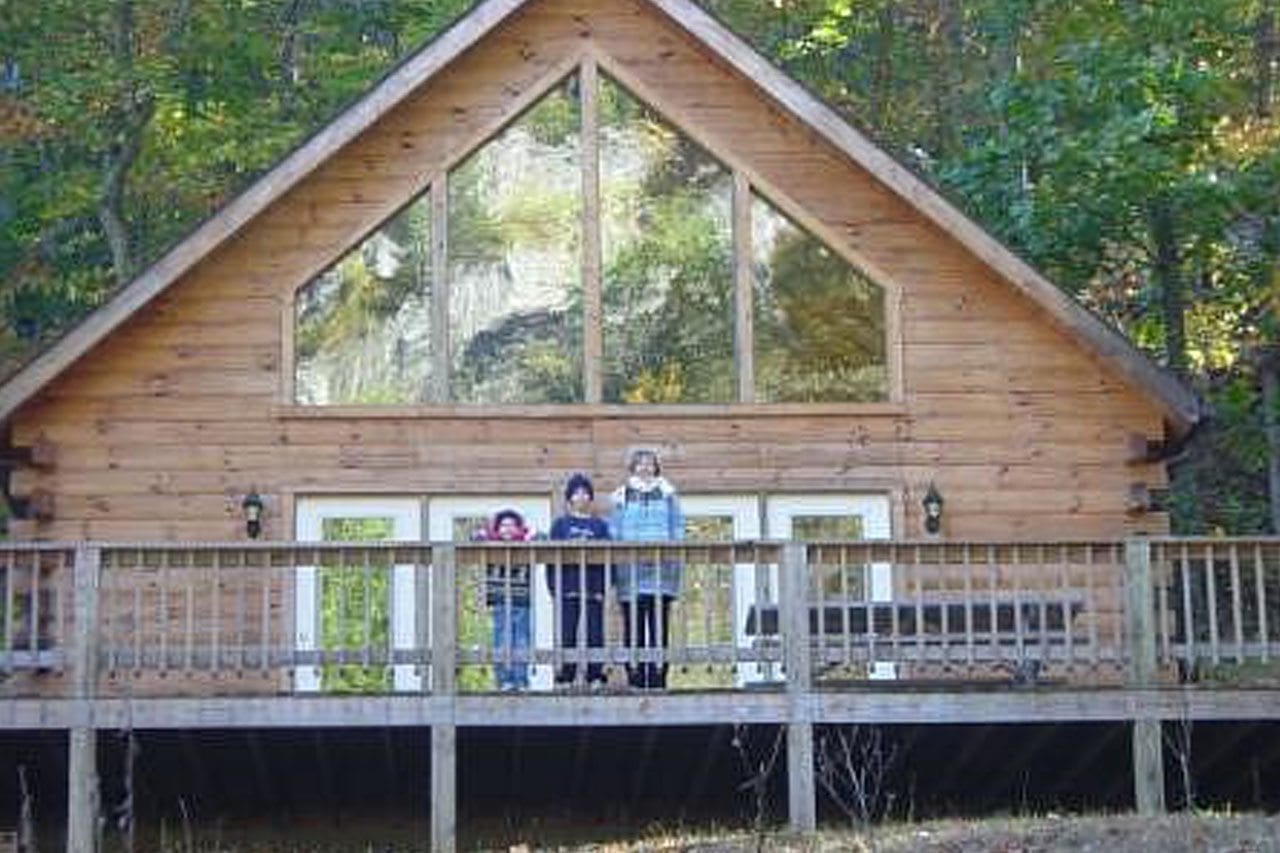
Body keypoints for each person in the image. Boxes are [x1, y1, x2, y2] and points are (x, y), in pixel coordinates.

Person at [610, 448, 684, 689]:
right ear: (633, 468)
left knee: (659, 628)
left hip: (661, 571)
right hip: (630, 571)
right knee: (634, 628)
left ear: (656, 468)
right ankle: (636, 678)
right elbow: (615, 531)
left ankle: (658, 678)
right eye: (640, 464)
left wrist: (672, 558)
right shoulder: (622, 496)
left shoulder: (668, 494)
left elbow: (677, 528)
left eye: (650, 464)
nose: (645, 468)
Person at [548, 473, 611, 690]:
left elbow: (608, 558)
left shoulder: (600, 526)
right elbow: (550, 558)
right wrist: (553, 585)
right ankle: (566, 676)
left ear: (590, 498)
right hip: (568, 587)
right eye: (576, 492)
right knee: (568, 632)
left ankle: (595, 675)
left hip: (593, 587)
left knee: (595, 632)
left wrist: (604, 586)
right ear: (569, 498)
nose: (581, 496)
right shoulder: (560, 525)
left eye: (585, 492)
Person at [476, 508, 535, 692]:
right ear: (497, 529)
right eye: (503, 525)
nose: (508, 529)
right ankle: (504, 680)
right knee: (501, 639)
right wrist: (484, 535)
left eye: (512, 525)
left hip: (521, 599)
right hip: (499, 599)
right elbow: (474, 538)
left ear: (519, 528)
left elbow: (541, 536)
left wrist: (528, 535)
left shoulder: (526, 545)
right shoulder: (490, 544)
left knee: (521, 640)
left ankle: (521, 680)